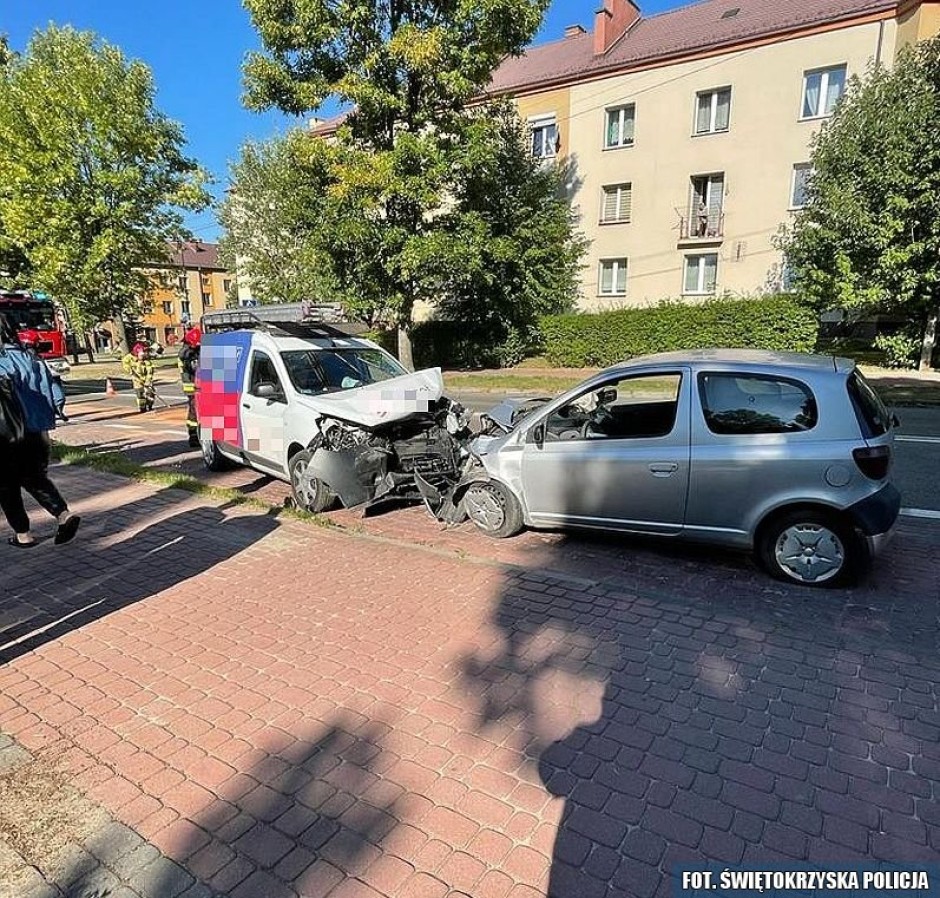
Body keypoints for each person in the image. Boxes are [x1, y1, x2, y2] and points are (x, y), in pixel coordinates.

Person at [0, 316, 81, 548]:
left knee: (7, 486)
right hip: (37, 431)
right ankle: (63, 515)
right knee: (35, 477)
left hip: (7, 434)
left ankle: (23, 534)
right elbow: (56, 393)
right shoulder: (32, 358)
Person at [20, 331, 68, 422]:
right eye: (36, 343)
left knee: (59, 397)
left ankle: (57, 410)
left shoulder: (40, 357)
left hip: (47, 378)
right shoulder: (22, 358)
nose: (38, 345)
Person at [178, 326, 201, 448]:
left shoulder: (192, 350)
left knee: (199, 410)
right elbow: (194, 367)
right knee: (194, 411)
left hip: (197, 384)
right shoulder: (186, 353)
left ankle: (198, 435)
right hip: (191, 386)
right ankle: (193, 436)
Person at [122, 342, 155, 413]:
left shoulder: (146, 360)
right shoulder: (129, 358)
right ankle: (142, 408)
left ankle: (150, 405)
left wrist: (148, 380)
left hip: (146, 379)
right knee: (140, 394)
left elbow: (150, 370)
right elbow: (125, 365)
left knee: (150, 393)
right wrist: (131, 371)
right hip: (137, 380)